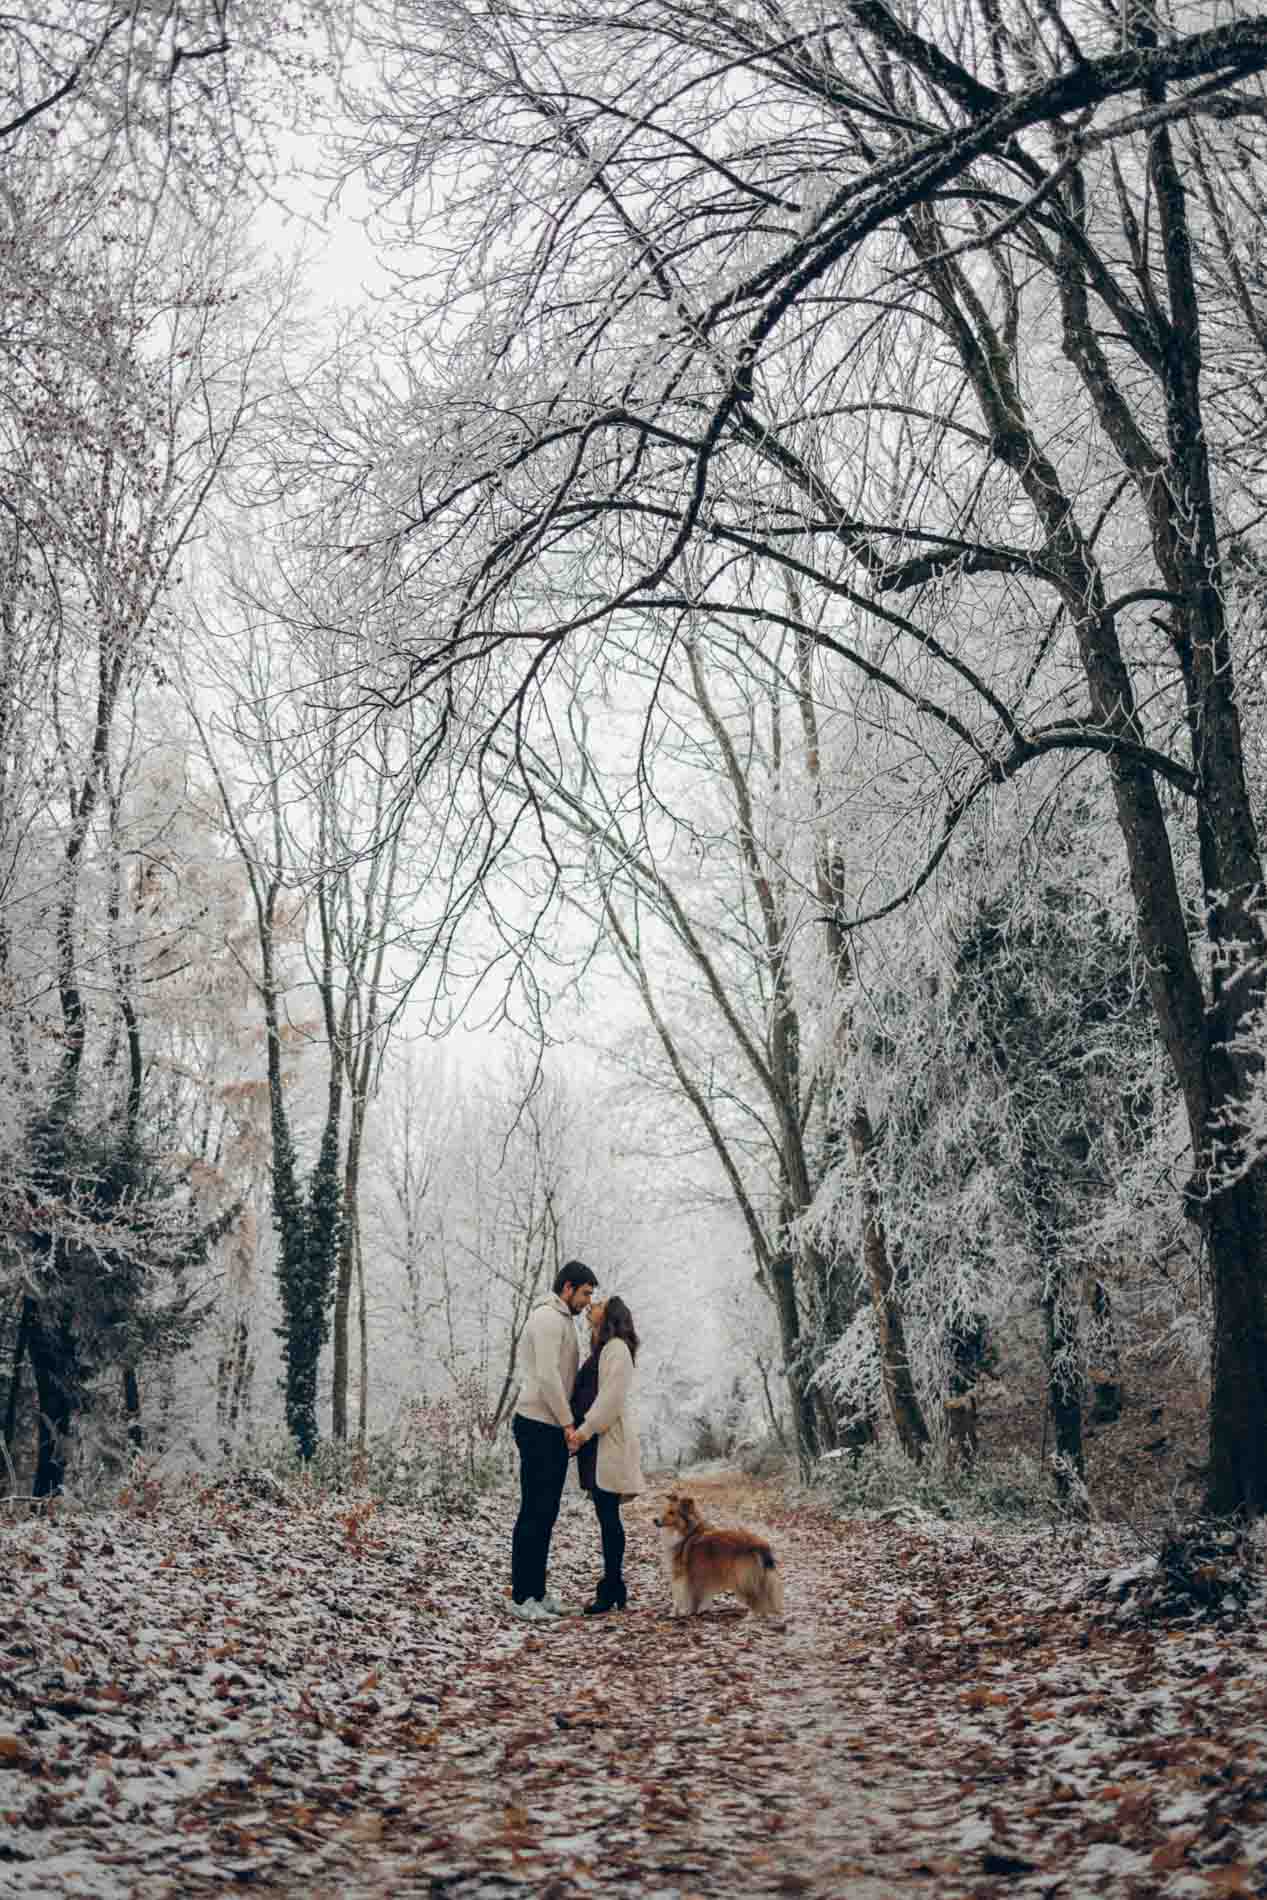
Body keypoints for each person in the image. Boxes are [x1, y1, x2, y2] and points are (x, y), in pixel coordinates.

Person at [508, 1261, 597, 1622]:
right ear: (568, 1288)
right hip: (537, 1424)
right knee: (533, 1511)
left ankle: (537, 1592)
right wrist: (567, 1424)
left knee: (546, 1513)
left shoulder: (562, 1320)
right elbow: (546, 1376)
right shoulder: (546, 1319)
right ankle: (521, 1597)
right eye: (586, 1293)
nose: (588, 1301)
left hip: (550, 1425)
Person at [566, 1294, 643, 1614]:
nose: (590, 1307)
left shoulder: (617, 1350)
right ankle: (615, 1586)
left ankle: (611, 1588)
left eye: (597, 1304)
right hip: (598, 1443)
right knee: (606, 1516)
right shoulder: (604, 1349)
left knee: (609, 1517)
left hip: (605, 1441)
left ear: (609, 1314)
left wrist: (582, 1432)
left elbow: (609, 1400)